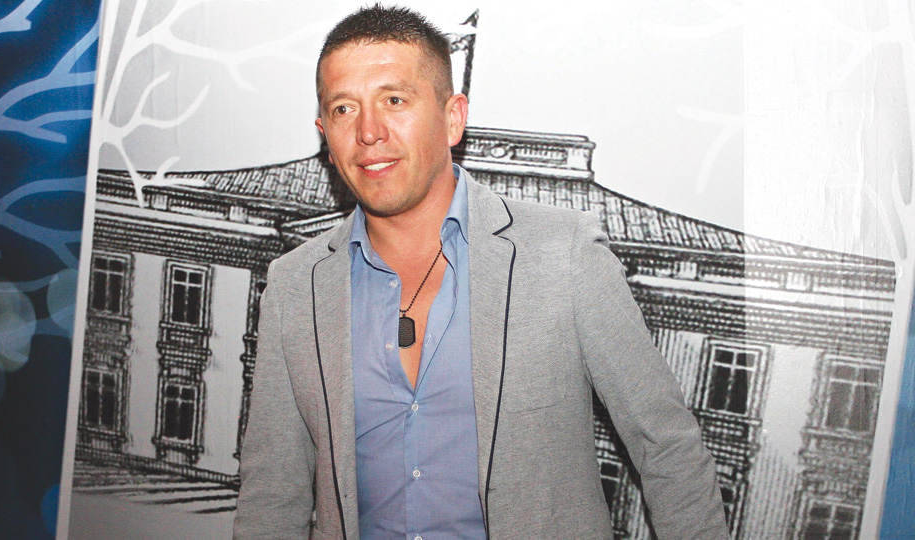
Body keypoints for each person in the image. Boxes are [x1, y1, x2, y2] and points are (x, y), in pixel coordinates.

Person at [234, 4, 730, 540]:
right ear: (325, 136)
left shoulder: (564, 256)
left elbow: (669, 451)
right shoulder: (294, 286)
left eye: (394, 100)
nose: (369, 131)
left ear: (453, 118)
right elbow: (272, 495)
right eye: (343, 109)